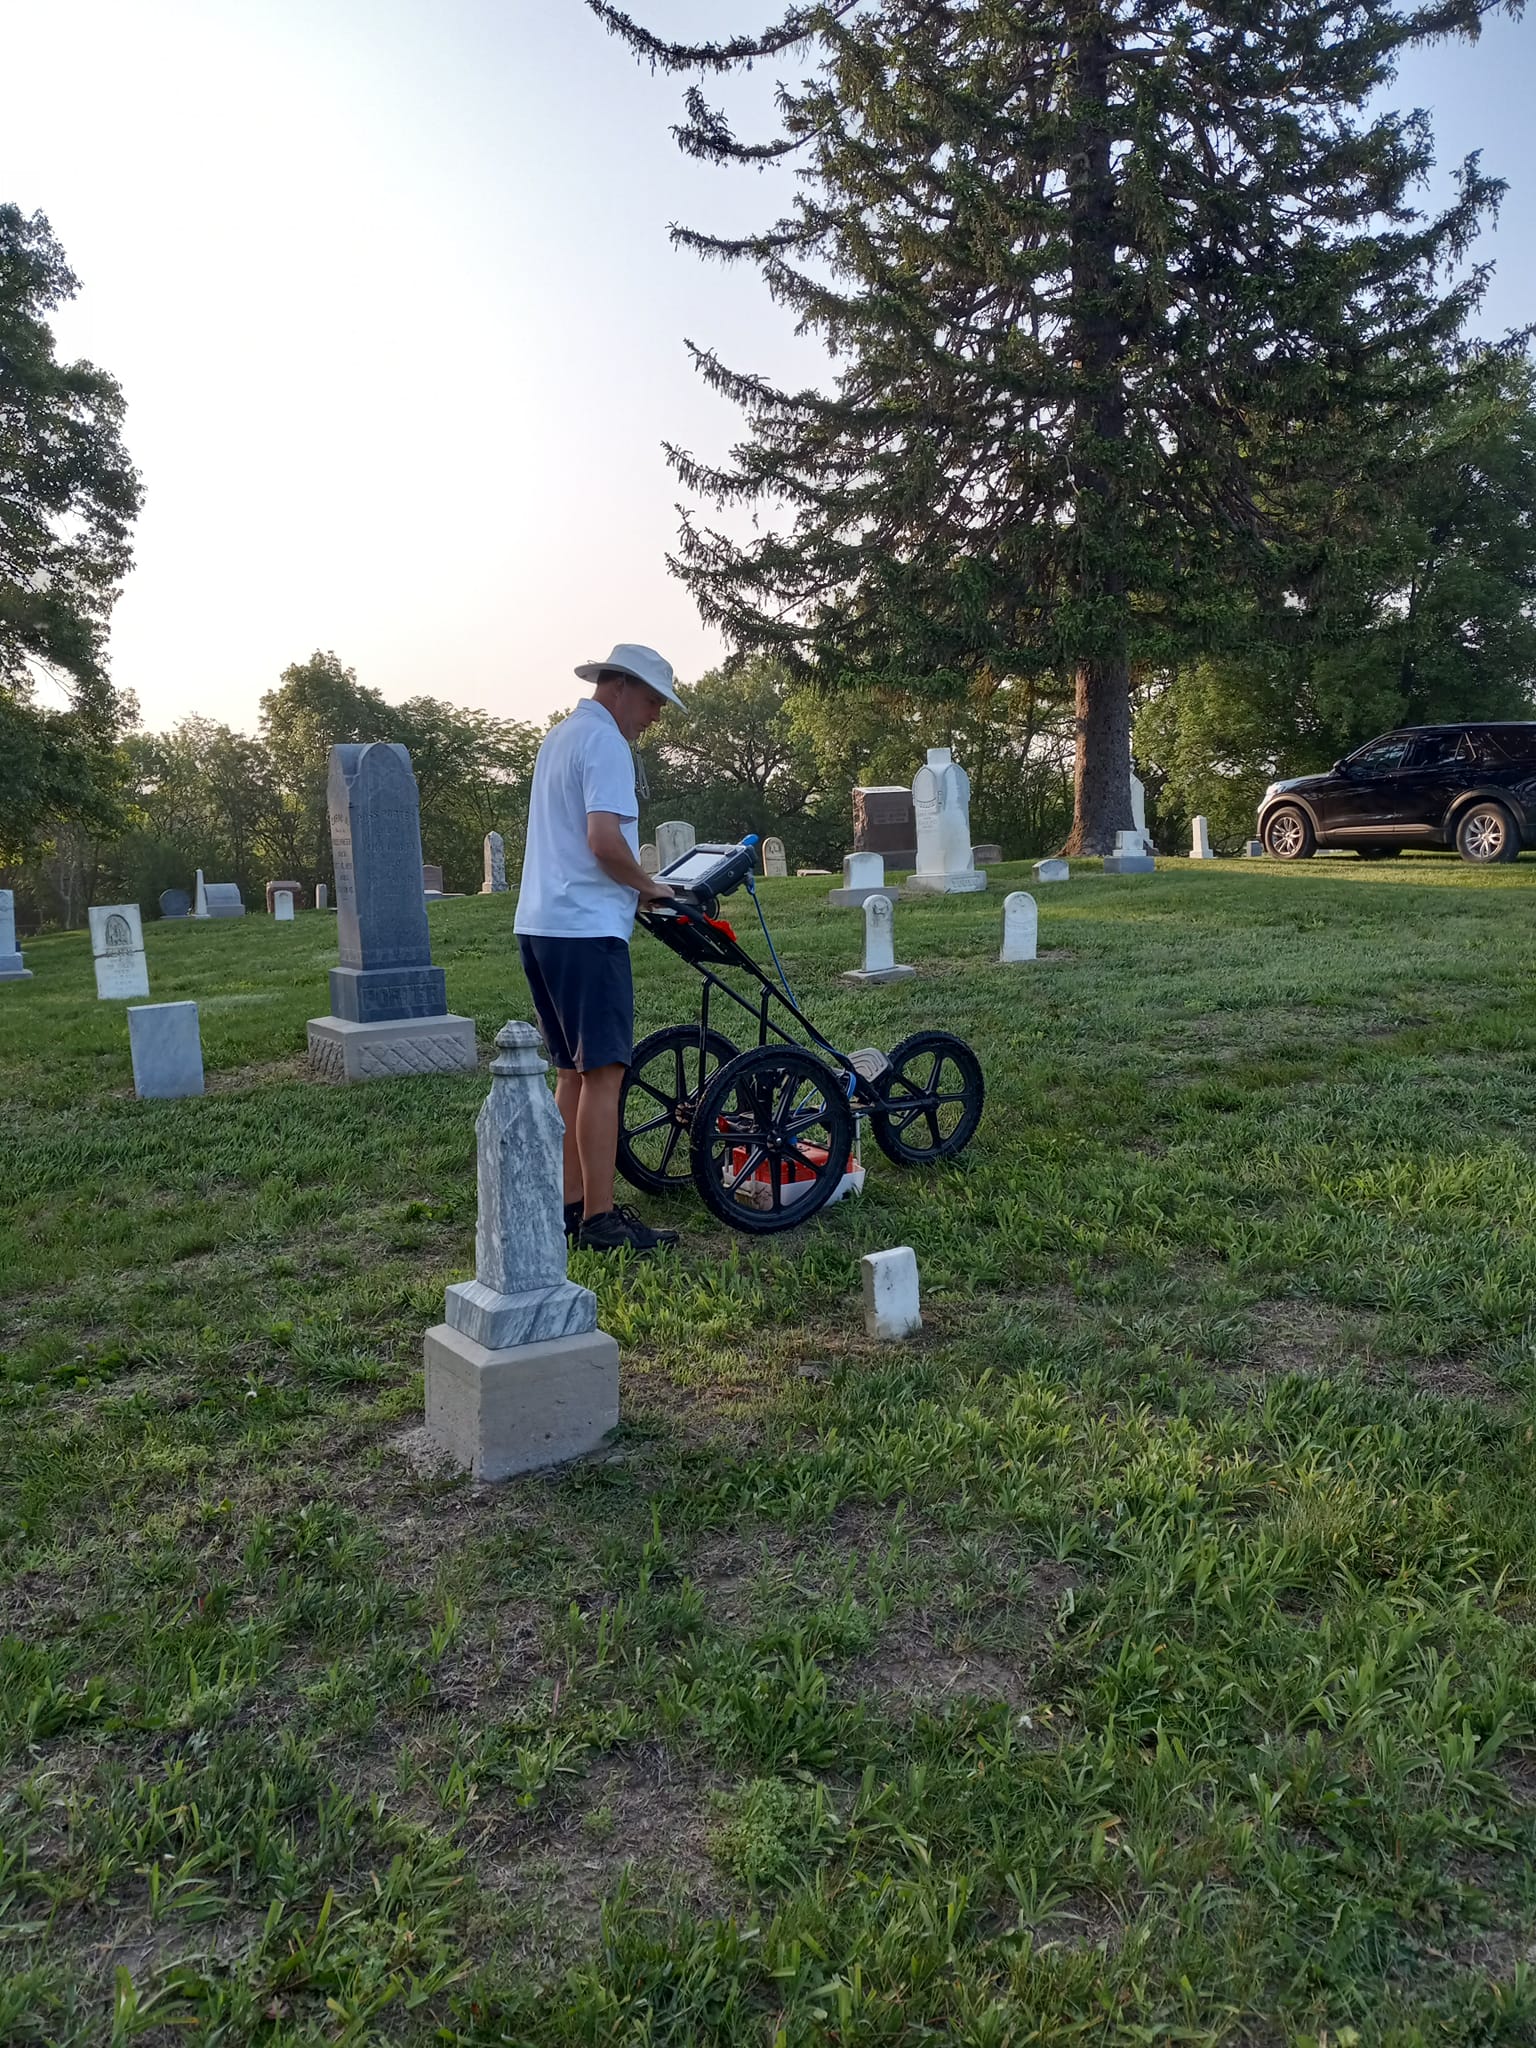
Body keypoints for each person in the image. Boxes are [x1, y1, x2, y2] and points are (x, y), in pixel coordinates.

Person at [515, 643, 683, 1254]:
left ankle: (570, 1205)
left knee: (573, 1074)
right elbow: (604, 842)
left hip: (541, 924)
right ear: (619, 688)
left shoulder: (559, 737)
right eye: (652, 700)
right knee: (605, 1074)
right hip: (586, 931)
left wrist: (631, 893)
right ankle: (602, 1221)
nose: (656, 716)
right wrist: (651, 886)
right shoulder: (607, 742)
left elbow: (571, 842)